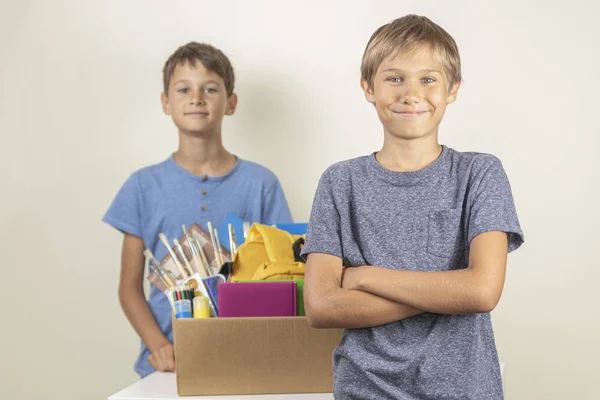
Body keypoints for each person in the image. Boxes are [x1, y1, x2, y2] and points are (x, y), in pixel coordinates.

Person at [301, 15, 524, 399]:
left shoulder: (479, 173)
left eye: (428, 78)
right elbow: (321, 307)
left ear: (452, 88)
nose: (411, 93)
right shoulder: (340, 182)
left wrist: (365, 277)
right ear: (367, 87)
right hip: (365, 388)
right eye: (394, 78)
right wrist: (447, 292)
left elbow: (482, 292)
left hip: (464, 389)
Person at [103, 42, 293, 377]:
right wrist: (159, 346)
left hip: (246, 358)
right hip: (169, 364)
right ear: (166, 102)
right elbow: (128, 288)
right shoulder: (142, 186)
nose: (196, 98)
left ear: (231, 103)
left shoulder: (261, 184)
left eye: (210, 88)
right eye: (183, 89)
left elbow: (283, 277)